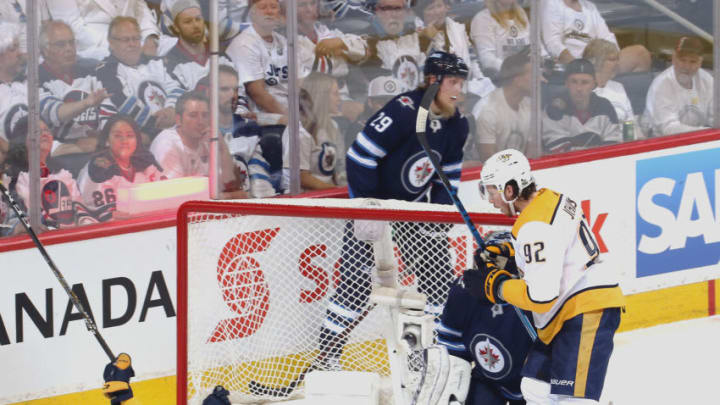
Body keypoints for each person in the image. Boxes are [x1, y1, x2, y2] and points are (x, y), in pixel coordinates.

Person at [317, 51, 469, 365]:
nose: (459, 90)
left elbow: (447, 176)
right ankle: (328, 355)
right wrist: (369, 208)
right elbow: (360, 157)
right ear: (432, 81)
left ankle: (430, 357)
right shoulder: (403, 111)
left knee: (438, 285)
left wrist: (437, 216)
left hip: (414, 211)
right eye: (453, 82)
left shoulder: (458, 125)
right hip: (375, 207)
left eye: (461, 82)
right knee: (356, 288)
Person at [474, 148, 625, 404]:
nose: (490, 199)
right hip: (569, 312)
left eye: (492, 191)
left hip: (585, 311)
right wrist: (510, 251)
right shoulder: (553, 198)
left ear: (509, 190)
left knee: (572, 400)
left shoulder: (534, 227)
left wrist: (494, 285)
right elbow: (557, 244)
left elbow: (541, 297)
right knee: (535, 388)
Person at [437, 232, 534, 405]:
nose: (484, 268)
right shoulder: (464, 291)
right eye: (484, 261)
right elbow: (453, 351)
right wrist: (451, 395)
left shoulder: (535, 298)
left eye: (495, 262)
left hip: (532, 388)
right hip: (487, 382)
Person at [96, 16, 185, 140]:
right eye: (125, 40)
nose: (132, 44)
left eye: (136, 38)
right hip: (147, 137)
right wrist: (157, 124)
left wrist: (172, 110)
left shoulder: (156, 62)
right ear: (111, 42)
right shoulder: (106, 70)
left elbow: (179, 88)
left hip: (177, 127)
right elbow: (123, 104)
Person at [150, 90, 248, 198]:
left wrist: (222, 147)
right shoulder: (167, 144)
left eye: (205, 115)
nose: (200, 121)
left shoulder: (208, 140)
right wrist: (226, 197)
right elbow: (174, 197)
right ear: (178, 120)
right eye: (193, 115)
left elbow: (234, 185)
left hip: (203, 208)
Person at [3, 116, 91, 234]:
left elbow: (81, 211)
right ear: (22, 140)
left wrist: (89, 230)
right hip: (33, 246)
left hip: (72, 241)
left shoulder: (63, 173)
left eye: (47, 130)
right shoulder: (9, 179)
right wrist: (16, 229)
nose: (44, 134)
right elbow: (8, 224)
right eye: (36, 132)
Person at [76, 115, 165, 222]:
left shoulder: (146, 162)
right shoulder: (97, 169)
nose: (124, 140)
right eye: (118, 136)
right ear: (107, 141)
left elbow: (167, 197)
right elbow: (106, 217)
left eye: (130, 135)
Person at [39, 20, 108, 154]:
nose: (69, 48)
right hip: (64, 153)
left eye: (71, 42)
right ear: (45, 51)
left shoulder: (91, 71)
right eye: (61, 44)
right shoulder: (37, 78)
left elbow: (109, 109)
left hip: (98, 144)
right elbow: (55, 114)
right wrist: (87, 103)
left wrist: (105, 134)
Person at [297, 0, 368, 121]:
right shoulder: (289, 40)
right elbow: (303, 83)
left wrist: (342, 43)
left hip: (343, 100)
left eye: (313, 3)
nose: (309, 9)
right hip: (312, 107)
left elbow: (365, 49)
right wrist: (341, 59)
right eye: (302, 5)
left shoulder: (328, 32)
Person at [540, 0, 650, 74]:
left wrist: (613, 60)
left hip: (599, 62)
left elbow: (607, 37)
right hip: (574, 66)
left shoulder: (589, 7)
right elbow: (553, 43)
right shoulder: (551, 3)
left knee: (641, 54)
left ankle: (620, 97)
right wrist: (579, 68)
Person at [225, 0, 289, 127]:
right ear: (253, 13)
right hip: (260, 117)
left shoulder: (283, 41)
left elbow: (300, 83)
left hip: (289, 112)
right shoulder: (244, 43)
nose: (269, 11)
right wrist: (293, 119)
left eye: (273, 7)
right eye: (263, 7)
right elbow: (257, 93)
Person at [542, 58, 621, 154]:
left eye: (585, 83)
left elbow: (614, 145)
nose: (579, 88)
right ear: (566, 84)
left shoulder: (605, 106)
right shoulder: (554, 109)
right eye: (574, 82)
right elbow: (557, 149)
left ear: (594, 85)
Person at [470, 47, 534, 164]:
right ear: (517, 80)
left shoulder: (529, 106)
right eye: (533, 75)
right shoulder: (488, 109)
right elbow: (488, 160)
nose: (539, 79)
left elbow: (531, 153)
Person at [282, 73, 344, 191]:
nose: (339, 99)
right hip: (304, 200)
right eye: (335, 94)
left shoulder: (332, 126)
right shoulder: (299, 131)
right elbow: (301, 178)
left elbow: (336, 170)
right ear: (322, 97)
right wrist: (336, 192)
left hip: (328, 195)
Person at [162, 0, 240, 92]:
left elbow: (239, 92)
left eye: (198, 19)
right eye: (188, 22)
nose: (195, 25)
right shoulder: (170, 63)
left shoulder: (220, 56)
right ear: (176, 27)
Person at [643, 36, 713, 137]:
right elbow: (668, 129)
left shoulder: (707, 80)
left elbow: (716, 117)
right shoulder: (661, 85)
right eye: (682, 60)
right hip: (664, 144)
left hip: (700, 141)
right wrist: (705, 132)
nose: (686, 66)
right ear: (673, 59)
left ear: (700, 63)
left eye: (692, 61)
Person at [47, 0, 160, 61]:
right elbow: (70, 26)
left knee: (169, 46)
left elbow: (141, 9)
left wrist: (150, 36)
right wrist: (118, 44)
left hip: (136, 37)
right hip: (95, 46)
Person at [581, 38, 642, 141]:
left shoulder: (618, 87)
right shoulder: (582, 92)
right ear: (596, 62)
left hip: (625, 146)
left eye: (617, 59)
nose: (617, 63)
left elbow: (629, 122)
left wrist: (631, 143)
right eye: (612, 60)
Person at [363, 0, 426, 91]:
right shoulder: (366, 41)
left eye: (398, 9)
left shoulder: (418, 38)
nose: (393, 14)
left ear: (405, 12)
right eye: (387, 8)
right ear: (377, 11)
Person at [470, 0, 538, 79]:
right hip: (503, 80)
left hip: (527, 75)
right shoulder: (482, 18)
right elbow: (487, 60)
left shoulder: (521, 14)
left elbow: (533, 46)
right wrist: (518, 70)